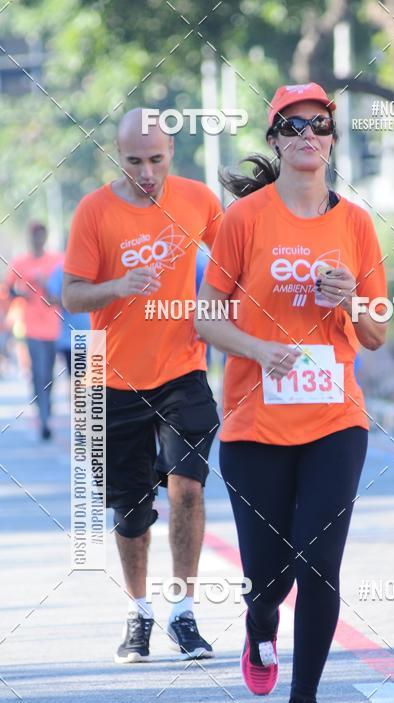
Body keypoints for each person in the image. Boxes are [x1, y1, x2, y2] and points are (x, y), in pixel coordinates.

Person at [196, 82, 387, 703]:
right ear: (275, 139)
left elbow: (376, 333)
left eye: (320, 124)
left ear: (333, 139)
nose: (309, 135)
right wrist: (259, 350)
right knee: (270, 576)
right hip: (254, 423)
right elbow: (204, 318)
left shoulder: (356, 224)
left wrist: (351, 301)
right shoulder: (244, 220)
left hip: (336, 420)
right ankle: (259, 620)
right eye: (294, 125)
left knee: (319, 563)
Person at [62, 108, 222, 664]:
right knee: (131, 511)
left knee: (188, 489)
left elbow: (236, 259)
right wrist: (118, 286)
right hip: (114, 378)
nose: (147, 172)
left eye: (156, 159)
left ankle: (184, 611)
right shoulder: (94, 211)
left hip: (183, 370)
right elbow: (72, 294)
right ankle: (139, 611)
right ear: (117, 156)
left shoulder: (198, 200)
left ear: (171, 152)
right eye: (134, 161)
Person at [5, 222, 63, 440]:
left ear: (45, 237)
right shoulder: (20, 262)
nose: (38, 239)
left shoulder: (56, 260)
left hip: (54, 325)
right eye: (34, 235)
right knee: (38, 371)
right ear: (30, 238)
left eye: (41, 235)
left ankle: (46, 406)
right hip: (31, 326)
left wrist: (47, 284)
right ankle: (44, 418)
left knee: (49, 373)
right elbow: (8, 289)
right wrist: (21, 294)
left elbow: (66, 287)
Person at [46, 261, 91, 376]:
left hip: (98, 334)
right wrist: (72, 300)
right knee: (79, 378)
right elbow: (50, 299)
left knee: (96, 381)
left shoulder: (100, 266)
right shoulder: (62, 270)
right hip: (73, 336)